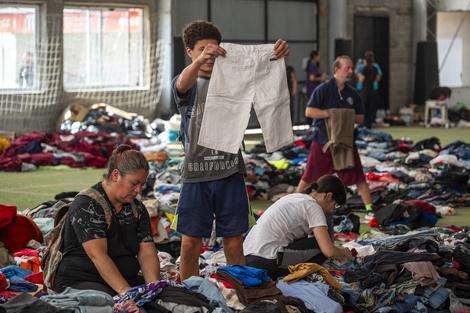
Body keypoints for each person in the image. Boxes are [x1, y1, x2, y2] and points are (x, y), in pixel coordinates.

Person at [171, 20, 290, 282]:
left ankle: (242, 294)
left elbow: (265, 77)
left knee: (234, 244)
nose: (210, 55)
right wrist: (200, 61)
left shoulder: (236, 80)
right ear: (190, 51)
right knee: (190, 244)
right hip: (195, 176)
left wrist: (277, 56)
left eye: (214, 49)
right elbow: (181, 84)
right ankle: (191, 295)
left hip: (230, 173)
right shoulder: (187, 83)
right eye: (202, 50)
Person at [54, 145, 160, 296]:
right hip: (82, 280)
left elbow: (147, 253)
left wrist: (153, 288)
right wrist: (127, 293)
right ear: (116, 175)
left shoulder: (138, 209)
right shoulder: (87, 204)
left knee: (171, 298)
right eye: (134, 183)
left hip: (125, 281)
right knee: (110, 305)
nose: (139, 191)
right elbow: (98, 256)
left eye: (141, 185)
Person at [296, 56, 374, 219]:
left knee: (359, 176)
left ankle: (369, 210)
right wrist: (332, 114)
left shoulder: (353, 94)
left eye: (351, 68)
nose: (351, 71)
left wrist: (345, 116)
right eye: (347, 68)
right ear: (336, 70)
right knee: (309, 177)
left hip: (345, 142)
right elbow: (309, 112)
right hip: (323, 141)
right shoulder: (323, 89)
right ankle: (293, 205)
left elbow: (360, 117)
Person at [244, 175, 352, 280]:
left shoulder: (294, 197)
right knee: (321, 247)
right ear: (328, 196)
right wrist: (344, 251)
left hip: (245, 258)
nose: (332, 210)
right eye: (335, 204)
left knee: (316, 243)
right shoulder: (313, 207)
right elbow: (329, 251)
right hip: (264, 263)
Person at [356, 51, 383, 126]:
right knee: (370, 109)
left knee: (363, 109)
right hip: (372, 90)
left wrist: (358, 74)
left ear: (365, 60)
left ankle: (363, 125)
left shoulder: (364, 68)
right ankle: (369, 125)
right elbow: (377, 78)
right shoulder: (375, 68)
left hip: (365, 90)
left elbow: (361, 80)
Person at [305, 50, 326, 125]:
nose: (320, 57)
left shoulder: (312, 64)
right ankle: (312, 124)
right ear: (315, 56)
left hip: (310, 89)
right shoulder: (313, 64)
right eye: (319, 56)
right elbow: (312, 78)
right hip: (313, 89)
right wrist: (321, 78)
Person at [285, 57, 298, 124]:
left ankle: (290, 124)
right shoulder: (277, 69)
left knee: (290, 107)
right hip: (280, 91)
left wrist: (294, 89)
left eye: (285, 59)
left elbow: (294, 80)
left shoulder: (290, 69)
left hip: (288, 90)